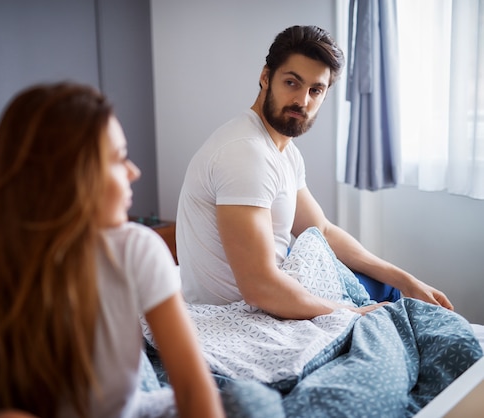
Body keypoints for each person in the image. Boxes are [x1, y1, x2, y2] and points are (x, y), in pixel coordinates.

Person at [0, 82, 225, 418]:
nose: (134, 172)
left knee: (245, 400)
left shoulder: (137, 250)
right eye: (117, 158)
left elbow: (194, 386)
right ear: (65, 178)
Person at [176, 25, 453, 320]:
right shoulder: (245, 153)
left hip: (265, 297)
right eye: (292, 83)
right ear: (266, 77)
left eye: (315, 90)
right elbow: (258, 287)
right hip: (240, 316)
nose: (302, 101)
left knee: (389, 287)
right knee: (388, 304)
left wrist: (406, 280)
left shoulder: (283, 151)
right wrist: (353, 312)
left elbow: (321, 230)